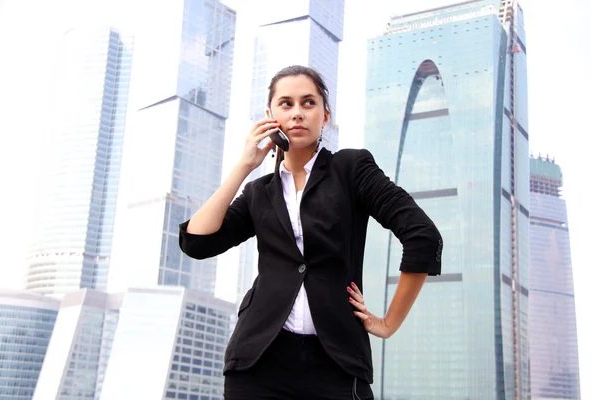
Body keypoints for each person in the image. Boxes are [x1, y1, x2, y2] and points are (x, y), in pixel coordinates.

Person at [179, 65, 442, 400]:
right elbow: (197, 242)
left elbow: (423, 235)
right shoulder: (260, 192)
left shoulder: (352, 169)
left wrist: (389, 322)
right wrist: (245, 165)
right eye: (286, 104)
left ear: (325, 115)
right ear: (269, 115)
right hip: (259, 364)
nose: (298, 113)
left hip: (337, 364)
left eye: (308, 103)